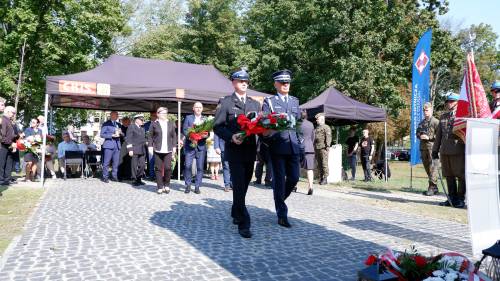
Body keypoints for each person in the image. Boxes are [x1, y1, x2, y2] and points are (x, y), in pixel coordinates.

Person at [214, 68, 261, 238]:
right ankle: (244, 222)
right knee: (239, 186)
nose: (244, 83)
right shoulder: (226, 102)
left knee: (244, 185)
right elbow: (217, 126)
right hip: (234, 151)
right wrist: (230, 137)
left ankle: (235, 210)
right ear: (233, 83)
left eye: (246, 81)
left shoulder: (255, 104)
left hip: (249, 151)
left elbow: (259, 126)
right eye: (241, 81)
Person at [262, 69, 302, 228]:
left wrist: (301, 143)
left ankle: (278, 200)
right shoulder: (269, 102)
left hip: (293, 145)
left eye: (288, 82)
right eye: (283, 82)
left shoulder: (295, 101)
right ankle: (282, 214)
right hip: (277, 145)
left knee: (294, 178)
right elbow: (264, 122)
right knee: (279, 181)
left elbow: (297, 123)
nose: (286, 85)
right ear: (276, 84)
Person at [432, 93, 466, 208]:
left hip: (458, 150)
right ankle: (451, 197)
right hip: (445, 151)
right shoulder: (443, 116)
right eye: (448, 101)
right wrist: (435, 150)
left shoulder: (463, 116)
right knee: (448, 175)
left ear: (457, 102)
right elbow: (438, 136)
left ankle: (461, 199)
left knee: (460, 175)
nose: (449, 103)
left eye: (452, 101)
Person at [148, 107, 177, 194]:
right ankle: (160, 186)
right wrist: (150, 146)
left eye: (165, 113)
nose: (164, 115)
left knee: (168, 168)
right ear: (158, 114)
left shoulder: (171, 123)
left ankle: (167, 185)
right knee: (158, 168)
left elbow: (174, 136)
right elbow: (150, 136)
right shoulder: (154, 124)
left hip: (168, 149)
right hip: (157, 149)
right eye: (162, 113)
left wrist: (174, 147)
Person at [182, 102, 207, 194]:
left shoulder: (205, 119)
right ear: (193, 108)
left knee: (200, 168)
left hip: (201, 146)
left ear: (202, 109)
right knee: (187, 166)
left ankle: (197, 186)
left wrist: (205, 136)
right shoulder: (188, 118)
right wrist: (191, 138)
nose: (198, 109)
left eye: (200, 107)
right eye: (196, 107)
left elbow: (207, 132)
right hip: (190, 146)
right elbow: (184, 130)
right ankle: (188, 185)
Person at [417, 102, 440, 196]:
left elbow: (439, 135)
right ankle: (434, 187)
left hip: (432, 148)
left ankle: (431, 187)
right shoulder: (421, 122)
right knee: (427, 168)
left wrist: (429, 137)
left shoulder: (435, 122)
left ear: (431, 110)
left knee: (433, 168)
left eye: (427, 110)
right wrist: (420, 135)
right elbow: (417, 133)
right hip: (423, 148)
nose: (425, 112)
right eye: (424, 110)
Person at [100, 111, 123, 183]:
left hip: (117, 145)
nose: (117, 116)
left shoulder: (119, 124)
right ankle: (105, 177)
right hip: (109, 145)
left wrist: (121, 133)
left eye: (117, 115)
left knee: (116, 163)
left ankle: (114, 176)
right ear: (111, 115)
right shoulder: (106, 124)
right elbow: (102, 134)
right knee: (106, 162)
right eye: (116, 115)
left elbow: (122, 133)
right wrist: (111, 135)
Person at [126, 114, 147, 186]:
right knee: (134, 165)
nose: (142, 121)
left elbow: (143, 139)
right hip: (134, 149)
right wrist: (130, 149)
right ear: (136, 120)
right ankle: (134, 179)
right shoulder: (131, 127)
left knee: (142, 165)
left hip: (142, 149)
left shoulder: (142, 129)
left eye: (143, 120)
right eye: (141, 120)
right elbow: (128, 139)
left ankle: (139, 178)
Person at [0, 106, 17, 185]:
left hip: (9, 144)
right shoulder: (3, 120)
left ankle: (7, 179)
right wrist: (11, 143)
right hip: (3, 145)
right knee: (2, 163)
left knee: (9, 162)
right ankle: (1, 179)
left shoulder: (9, 121)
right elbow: (2, 136)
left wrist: (17, 137)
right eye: (13, 113)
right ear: (8, 112)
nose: (14, 114)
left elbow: (10, 134)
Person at [300, 110, 315, 195]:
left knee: (296, 167)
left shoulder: (297, 124)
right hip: (309, 148)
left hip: (299, 148)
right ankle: (311, 187)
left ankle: (294, 185)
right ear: (306, 116)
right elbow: (313, 137)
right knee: (310, 169)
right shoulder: (311, 124)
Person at [314, 113, 331, 185]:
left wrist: (327, 146)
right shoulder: (317, 128)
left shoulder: (326, 127)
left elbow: (328, 137)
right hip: (317, 148)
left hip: (323, 148)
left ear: (321, 120)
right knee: (319, 164)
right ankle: (321, 177)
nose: (316, 120)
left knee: (324, 163)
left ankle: (325, 178)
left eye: (317, 119)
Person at [144, 111, 158, 180]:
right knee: (151, 161)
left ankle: (158, 175)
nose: (154, 117)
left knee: (158, 161)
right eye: (152, 115)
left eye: (155, 115)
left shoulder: (160, 123)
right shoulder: (146, 125)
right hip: (150, 145)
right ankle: (151, 175)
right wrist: (146, 141)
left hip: (158, 145)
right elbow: (144, 134)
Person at [118, 116, 132, 181]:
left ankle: (128, 175)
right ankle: (120, 175)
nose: (129, 123)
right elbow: (121, 137)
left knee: (129, 161)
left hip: (130, 145)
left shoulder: (131, 128)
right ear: (124, 122)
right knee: (121, 160)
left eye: (129, 122)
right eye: (128, 121)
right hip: (123, 145)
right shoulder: (120, 128)